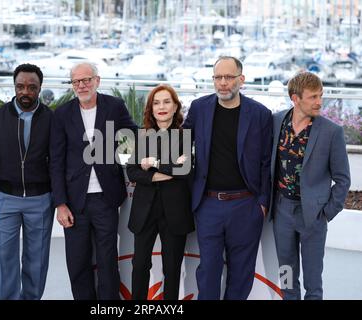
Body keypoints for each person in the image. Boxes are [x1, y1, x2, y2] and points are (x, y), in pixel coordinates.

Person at [183, 56, 272, 300]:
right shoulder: (199, 108)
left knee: (241, 274)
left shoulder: (260, 114)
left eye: (229, 77)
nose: (223, 83)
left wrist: (262, 204)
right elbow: (179, 142)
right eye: (218, 77)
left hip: (246, 205)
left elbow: (267, 162)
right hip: (208, 205)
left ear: (241, 80)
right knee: (208, 271)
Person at [50, 62, 137, 300]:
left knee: (108, 261)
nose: (82, 85)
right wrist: (60, 203)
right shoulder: (62, 114)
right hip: (73, 202)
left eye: (86, 80)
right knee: (77, 263)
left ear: (97, 81)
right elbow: (56, 162)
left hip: (106, 199)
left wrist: (122, 156)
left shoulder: (114, 107)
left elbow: (131, 135)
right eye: (76, 81)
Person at [269, 71, 350, 300]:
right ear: (296, 99)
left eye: (320, 95)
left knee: (313, 283)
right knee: (286, 274)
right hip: (282, 210)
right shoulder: (277, 122)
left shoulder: (332, 131)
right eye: (313, 97)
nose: (319, 102)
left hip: (313, 215)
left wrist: (326, 212)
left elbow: (343, 178)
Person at [0, 64, 53, 300]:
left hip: (40, 200)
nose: (25, 92)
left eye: (32, 87)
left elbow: (59, 162)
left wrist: (59, 200)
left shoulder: (52, 119)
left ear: (39, 89)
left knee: (37, 259)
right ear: (14, 87)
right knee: (3, 258)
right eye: (20, 87)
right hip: (4, 199)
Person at [126, 85, 194, 300]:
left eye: (166, 102)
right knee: (139, 266)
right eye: (156, 103)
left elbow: (186, 170)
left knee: (172, 269)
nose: (161, 107)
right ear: (151, 109)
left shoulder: (185, 136)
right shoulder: (142, 135)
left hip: (175, 212)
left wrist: (153, 163)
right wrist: (167, 170)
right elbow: (133, 171)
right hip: (144, 210)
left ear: (175, 107)